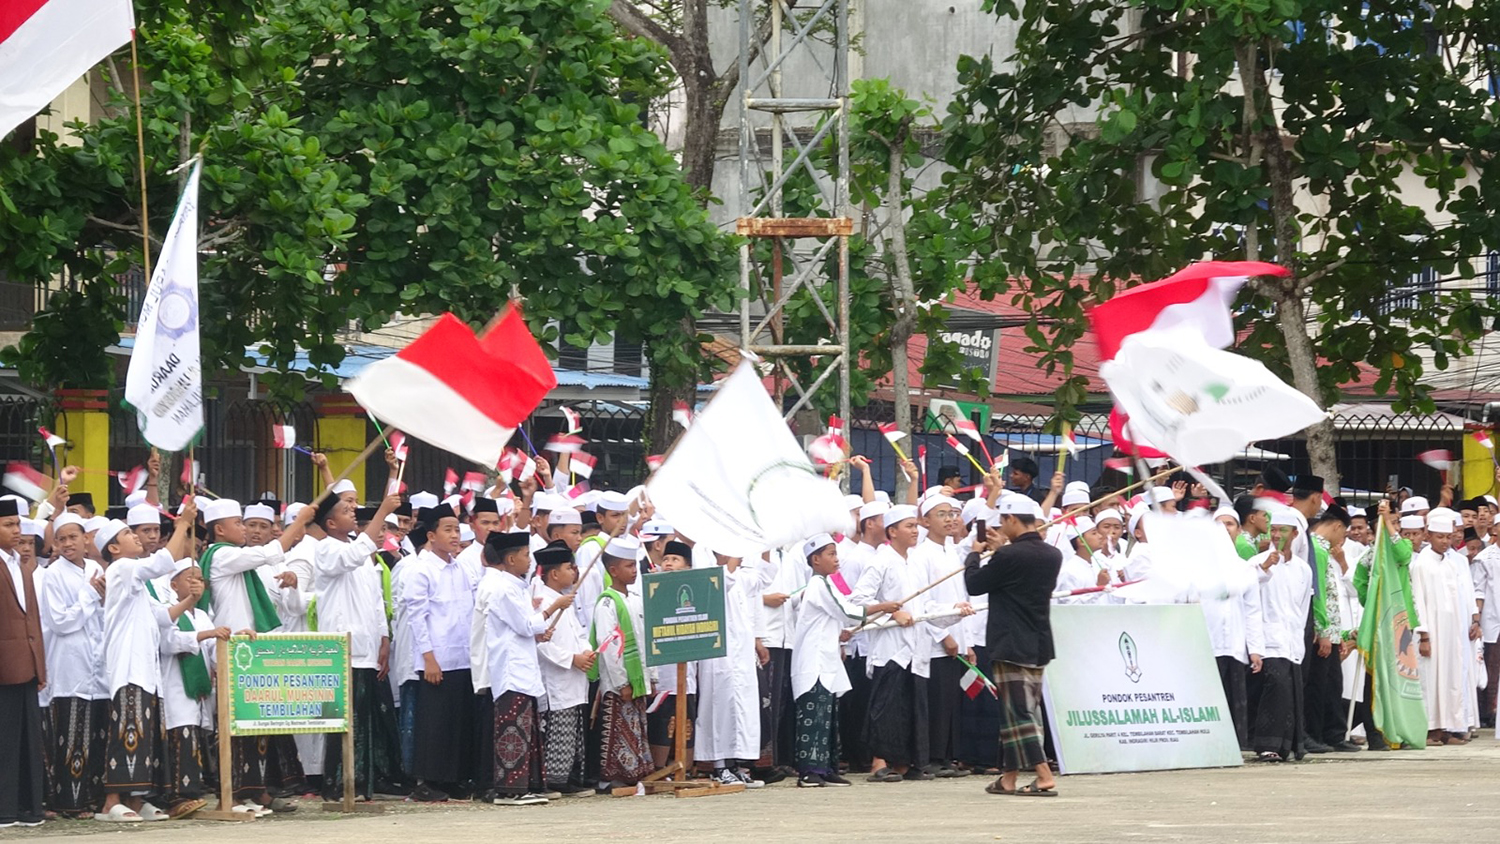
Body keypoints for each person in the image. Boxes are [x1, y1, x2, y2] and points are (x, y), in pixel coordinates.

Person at [199, 498, 313, 810]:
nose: (244, 528)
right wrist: (299, 521)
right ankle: (233, 793)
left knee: (256, 723)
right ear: (220, 530)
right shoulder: (221, 554)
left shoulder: (233, 556)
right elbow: (268, 553)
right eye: (239, 523)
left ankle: (258, 789)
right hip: (231, 646)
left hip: (250, 648)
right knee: (236, 724)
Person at [96, 507, 197, 822]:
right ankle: (111, 803)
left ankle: (137, 801)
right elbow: (161, 563)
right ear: (114, 548)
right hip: (128, 668)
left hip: (145, 671)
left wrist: (189, 602)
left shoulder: (135, 580)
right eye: (128, 534)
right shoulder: (123, 568)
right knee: (126, 733)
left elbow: (160, 617)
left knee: (145, 737)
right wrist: (182, 525)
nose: (135, 537)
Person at [962, 496, 1061, 796]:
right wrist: (1000, 551)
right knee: (1020, 710)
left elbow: (975, 584)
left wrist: (974, 556)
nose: (1002, 528)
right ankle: (1009, 777)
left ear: (1012, 520)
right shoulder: (1052, 554)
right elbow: (1014, 572)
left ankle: (1043, 775)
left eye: (1003, 522)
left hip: (1011, 642)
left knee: (1018, 712)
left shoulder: (1008, 557)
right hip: (1038, 640)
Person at [312, 490, 406, 803]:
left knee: (367, 721)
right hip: (342, 649)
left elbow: (376, 600)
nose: (352, 512)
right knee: (344, 720)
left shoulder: (361, 552)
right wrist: (383, 512)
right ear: (329, 521)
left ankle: (365, 781)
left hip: (367, 648)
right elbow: (352, 557)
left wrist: (384, 637)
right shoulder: (326, 549)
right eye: (345, 510)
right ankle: (338, 784)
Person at [791, 535, 897, 787]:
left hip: (826, 661)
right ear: (815, 560)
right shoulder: (818, 584)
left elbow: (839, 617)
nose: (836, 559)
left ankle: (826, 767)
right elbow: (848, 611)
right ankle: (809, 771)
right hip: (813, 662)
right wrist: (883, 606)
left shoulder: (827, 584)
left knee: (828, 718)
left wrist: (843, 630)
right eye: (830, 554)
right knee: (813, 717)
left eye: (836, 553)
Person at [485, 531, 573, 806]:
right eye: (525, 555)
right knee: (513, 730)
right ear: (511, 559)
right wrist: (551, 609)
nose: (528, 560)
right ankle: (509, 789)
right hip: (512, 670)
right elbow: (524, 625)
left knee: (527, 728)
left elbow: (525, 628)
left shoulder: (517, 587)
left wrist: (538, 631)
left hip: (524, 666)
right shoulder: (502, 589)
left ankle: (526, 785)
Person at [405, 506, 478, 801]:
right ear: (432, 535)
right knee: (434, 723)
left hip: (462, 656)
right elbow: (417, 617)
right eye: (448, 530)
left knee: (457, 721)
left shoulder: (460, 567)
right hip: (436, 658)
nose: (455, 535)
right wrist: (429, 658)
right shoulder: (420, 569)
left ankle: (453, 779)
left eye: (457, 529)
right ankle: (427, 781)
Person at [37, 513, 106, 818]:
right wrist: (91, 595)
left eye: (72, 537)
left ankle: (91, 799)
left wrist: (98, 600)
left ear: (85, 538)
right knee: (70, 737)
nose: (67, 543)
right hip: (69, 666)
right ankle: (67, 802)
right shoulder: (53, 574)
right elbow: (61, 621)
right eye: (61, 538)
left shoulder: (95, 568)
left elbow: (104, 615)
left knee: (95, 736)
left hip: (98, 665)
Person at [154, 560, 231, 819]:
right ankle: (176, 798)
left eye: (199, 578)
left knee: (195, 739)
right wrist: (205, 635)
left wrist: (229, 639)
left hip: (198, 690)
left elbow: (212, 651)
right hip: (175, 684)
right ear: (174, 585)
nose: (194, 582)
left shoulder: (202, 615)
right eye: (189, 578)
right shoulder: (168, 611)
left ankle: (193, 793)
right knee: (179, 738)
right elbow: (169, 642)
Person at [698, 546, 778, 788]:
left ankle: (736, 765)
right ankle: (719, 766)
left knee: (742, 709)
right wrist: (731, 550)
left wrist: (764, 544)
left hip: (741, 655)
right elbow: (723, 581)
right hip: (719, 654)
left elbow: (763, 577)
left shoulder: (740, 575)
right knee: (720, 709)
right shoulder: (713, 574)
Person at [588, 538, 655, 790]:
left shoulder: (636, 598)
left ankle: (635, 774)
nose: (634, 570)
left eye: (635, 565)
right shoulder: (607, 603)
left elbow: (645, 639)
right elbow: (609, 646)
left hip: (639, 678)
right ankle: (614, 777)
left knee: (636, 728)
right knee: (619, 729)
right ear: (613, 570)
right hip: (619, 683)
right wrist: (622, 681)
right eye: (628, 566)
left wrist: (651, 676)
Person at [1247, 510, 1313, 763]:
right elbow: (1247, 592)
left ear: (1295, 534)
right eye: (1274, 529)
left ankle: (1289, 745)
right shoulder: (1257, 562)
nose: (1277, 535)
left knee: (1292, 690)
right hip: (1268, 639)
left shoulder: (1303, 569)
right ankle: (1266, 745)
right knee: (1277, 686)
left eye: (1283, 530)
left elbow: (1302, 607)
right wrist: (1264, 569)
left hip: (1292, 640)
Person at [1410, 509, 1480, 745]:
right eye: (1440, 537)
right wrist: (1424, 635)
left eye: (1448, 537)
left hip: (1452, 632)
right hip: (1431, 632)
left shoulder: (1451, 564)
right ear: (1429, 535)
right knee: (1430, 679)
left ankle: (1448, 728)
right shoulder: (1422, 564)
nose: (1445, 542)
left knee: (1451, 677)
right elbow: (1418, 601)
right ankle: (1430, 729)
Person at [532, 542, 593, 796]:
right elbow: (541, 644)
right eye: (570, 568)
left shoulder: (566, 600)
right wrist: (572, 659)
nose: (575, 572)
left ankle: (569, 775)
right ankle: (555, 779)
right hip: (557, 677)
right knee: (558, 728)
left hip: (575, 676)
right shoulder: (543, 602)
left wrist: (586, 651)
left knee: (572, 729)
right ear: (554, 573)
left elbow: (578, 631)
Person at [0, 496, 46, 828]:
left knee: (28, 739)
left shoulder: (22, 565)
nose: (17, 531)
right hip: (4, 667)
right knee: (4, 739)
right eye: (9, 525)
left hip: (27, 665)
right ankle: (4, 809)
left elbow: (33, 620)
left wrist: (39, 665)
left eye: (17, 524)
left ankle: (29, 808)